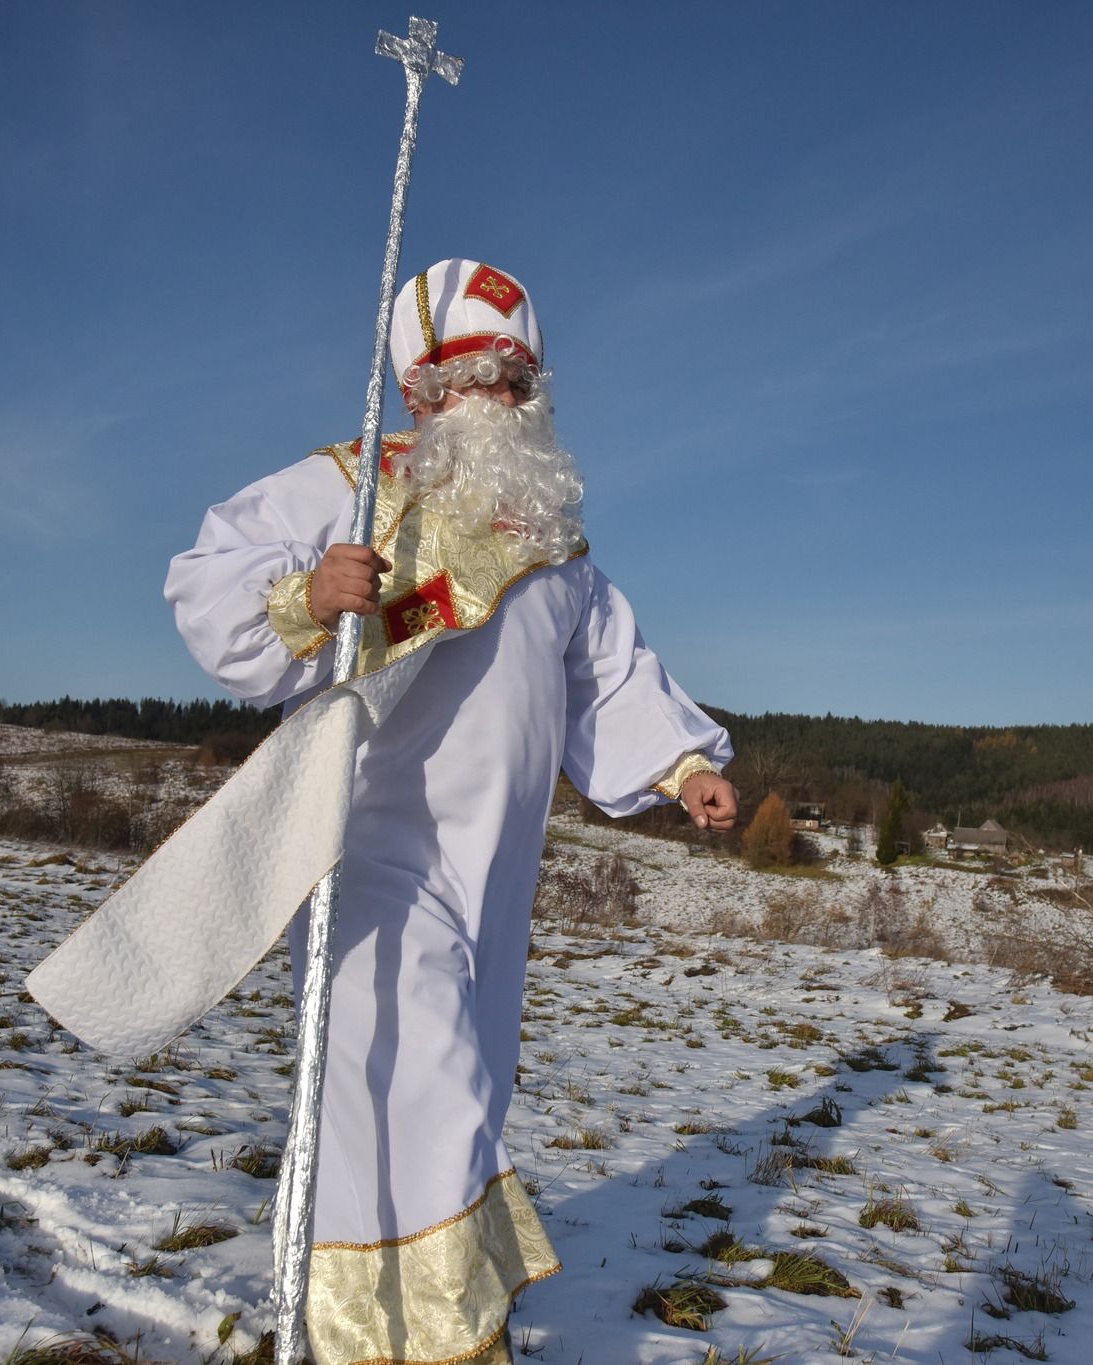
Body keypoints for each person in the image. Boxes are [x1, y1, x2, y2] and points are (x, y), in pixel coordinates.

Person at [164, 258, 738, 1365]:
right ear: (422, 389)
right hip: (375, 843)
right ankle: (405, 1339)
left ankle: (420, 1309)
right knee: (400, 1068)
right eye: (478, 375)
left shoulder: (558, 543)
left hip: (500, 871)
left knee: (462, 1083)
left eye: (520, 379)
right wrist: (306, 598)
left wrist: (678, 765)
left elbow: (605, 674)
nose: (504, 400)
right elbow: (209, 574)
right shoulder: (350, 484)